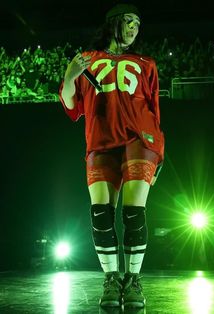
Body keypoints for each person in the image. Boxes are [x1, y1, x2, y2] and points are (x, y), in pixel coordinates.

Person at [59, 3, 164, 308]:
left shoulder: (146, 64)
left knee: (133, 212)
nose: (135, 28)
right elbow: (71, 106)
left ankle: (132, 281)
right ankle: (111, 279)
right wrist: (69, 76)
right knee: (101, 215)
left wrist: (159, 153)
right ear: (113, 22)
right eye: (129, 21)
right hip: (101, 143)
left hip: (138, 142)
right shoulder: (87, 60)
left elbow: (155, 114)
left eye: (138, 24)